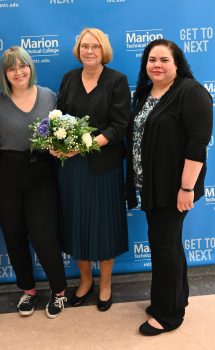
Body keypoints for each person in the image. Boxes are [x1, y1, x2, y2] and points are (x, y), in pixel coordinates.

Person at [126, 39, 213, 336]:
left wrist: (186, 189)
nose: (157, 65)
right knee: (168, 246)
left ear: (177, 63)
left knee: (164, 248)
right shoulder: (146, 93)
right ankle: (175, 298)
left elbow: (197, 145)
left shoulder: (191, 92)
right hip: (151, 187)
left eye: (164, 60)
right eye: (152, 60)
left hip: (174, 188)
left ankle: (169, 315)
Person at [54, 28, 130, 312]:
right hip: (71, 168)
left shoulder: (117, 80)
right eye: (84, 46)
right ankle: (85, 281)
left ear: (104, 50)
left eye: (95, 47)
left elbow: (119, 126)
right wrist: (56, 144)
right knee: (76, 224)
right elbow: (60, 117)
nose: (89, 51)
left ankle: (106, 283)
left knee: (104, 227)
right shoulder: (70, 78)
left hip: (103, 167)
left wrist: (83, 146)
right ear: (78, 50)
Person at [0, 46, 67, 319]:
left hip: (41, 175)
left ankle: (59, 291)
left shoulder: (48, 96)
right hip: (7, 177)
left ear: (30, 67)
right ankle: (28, 290)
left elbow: (62, 136)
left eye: (23, 66)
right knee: (14, 237)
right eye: (12, 68)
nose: (19, 72)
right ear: (4, 74)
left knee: (44, 237)